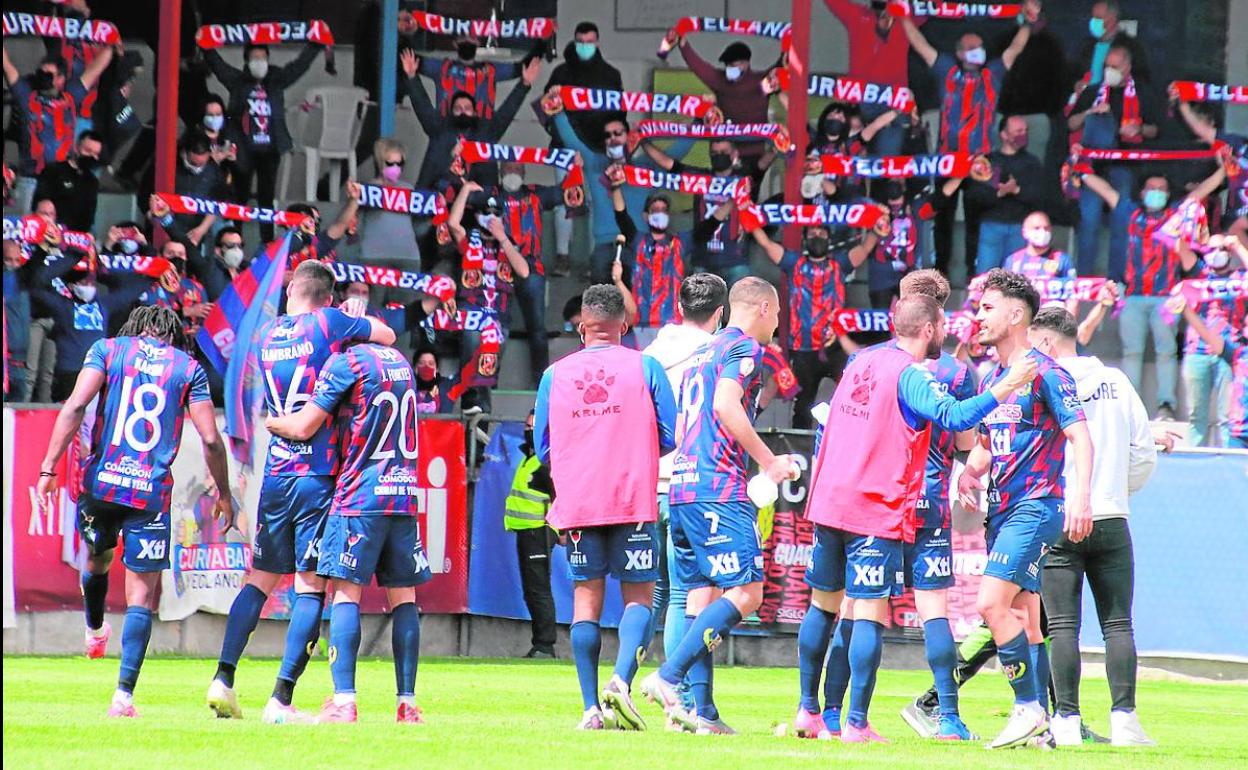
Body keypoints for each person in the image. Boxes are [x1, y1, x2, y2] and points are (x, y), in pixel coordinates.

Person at [799, 294, 1036, 743]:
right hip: (886, 500)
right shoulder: (922, 373)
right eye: (943, 324)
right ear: (930, 327)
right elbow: (957, 421)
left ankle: (813, 712)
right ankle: (873, 723)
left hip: (831, 498)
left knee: (827, 606)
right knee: (899, 612)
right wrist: (1005, 387)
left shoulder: (860, 362)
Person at [206, 261, 395, 723]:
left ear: (291, 291)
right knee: (312, 585)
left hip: (276, 472)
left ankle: (223, 678)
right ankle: (281, 700)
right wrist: (359, 313)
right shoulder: (328, 322)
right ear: (328, 298)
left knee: (261, 578)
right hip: (317, 471)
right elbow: (386, 338)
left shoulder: (268, 334)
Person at [36, 306, 234, 716]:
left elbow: (74, 407)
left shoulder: (108, 350)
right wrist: (225, 495)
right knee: (142, 595)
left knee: (97, 557)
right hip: (149, 492)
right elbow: (212, 439)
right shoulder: (187, 367)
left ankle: (94, 628)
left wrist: (48, 467)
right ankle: (123, 697)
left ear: (136, 329)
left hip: (103, 483)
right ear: (172, 335)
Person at [640, 278, 800, 734]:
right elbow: (727, 405)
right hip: (717, 485)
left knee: (699, 597)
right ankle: (668, 678)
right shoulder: (744, 350)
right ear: (765, 308)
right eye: (778, 313)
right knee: (748, 593)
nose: (778, 323)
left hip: (682, 485)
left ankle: (700, 713)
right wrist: (768, 462)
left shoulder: (703, 352)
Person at [957, 269, 1093, 749]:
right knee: (1028, 621)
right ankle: (1048, 730)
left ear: (1016, 315)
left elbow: (1079, 435)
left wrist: (1079, 497)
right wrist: (971, 470)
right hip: (1003, 507)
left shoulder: (1047, 371)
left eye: (987, 308)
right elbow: (995, 441)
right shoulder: (996, 375)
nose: (979, 316)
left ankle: (1027, 709)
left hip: (1036, 506)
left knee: (989, 604)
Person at [533, 284, 677, 730]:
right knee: (639, 597)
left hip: (579, 501)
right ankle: (621, 681)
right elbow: (670, 434)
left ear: (581, 328)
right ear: (625, 326)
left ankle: (589, 708)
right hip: (632, 497)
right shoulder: (646, 366)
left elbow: (542, 446)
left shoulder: (554, 375)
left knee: (585, 600)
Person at [265, 340, 432, 724]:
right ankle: (407, 703)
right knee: (404, 597)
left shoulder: (349, 361)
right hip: (403, 491)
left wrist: (272, 421)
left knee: (344, 594)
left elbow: (303, 426)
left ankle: (344, 701)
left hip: (360, 495)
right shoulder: (401, 361)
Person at [1027, 307, 1159, 747]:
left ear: (1045, 343)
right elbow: (1143, 451)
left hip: (1060, 517)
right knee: (1118, 625)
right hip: (1110, 515)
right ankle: (1125, 719)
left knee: (1062, 626)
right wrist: (1115, 491)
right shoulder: (1116, 381)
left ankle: (1066, 719)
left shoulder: (1041, 381)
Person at [640, 273, 729, 724]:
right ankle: (687, 706)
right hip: (691, 485)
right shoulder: (717, 353)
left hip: (647, 483)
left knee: (651, 597)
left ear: (678, 307)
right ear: (719, 313)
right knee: (690, 596)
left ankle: (622, 689)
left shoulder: (651, 354)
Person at [1078, 164, 1226, 418]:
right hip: (1132, 296)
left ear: (1169, 194)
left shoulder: (1176, 213)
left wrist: (1224, 170)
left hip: (1166, 298)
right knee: (1132, 353)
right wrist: (1081, 170)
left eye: (1161, 189)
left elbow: (1202, 191)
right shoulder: (1129, 212)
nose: (1156, 192)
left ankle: (1165, 405)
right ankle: (1128, 407)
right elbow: (1106, 190)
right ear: (1143, 191)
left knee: (1166, 352)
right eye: (1152, 188)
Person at [900, 2, 1037, 276]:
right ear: (960, 53)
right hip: (947, 159)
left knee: (976, 218)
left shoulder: (993, 72)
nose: (979, 51)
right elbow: (919, 44)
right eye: (972, 47)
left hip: (980, 160)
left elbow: (1015, 49)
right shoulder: (946, 70)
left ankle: (975, 274)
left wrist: (1027, 22)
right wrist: (901, 14)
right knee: (943, 219)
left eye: (980, 46)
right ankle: (941, 273)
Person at [749, 221, 882, 429]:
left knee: (850, 398)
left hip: (835, 345)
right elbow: (766, 243)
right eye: (812, 233)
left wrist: (876, 229)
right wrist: (748, 215)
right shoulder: (794, 262)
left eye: (821, 233)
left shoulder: (840, 263)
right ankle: (801, 453)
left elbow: (865, 248)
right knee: (802, 406)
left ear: (829, 239)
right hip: (803, 350)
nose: (817, 236)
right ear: (805, 238)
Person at [548, 102, 694, 284]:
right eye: (608, 136)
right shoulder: (595, 164)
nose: (613, 139)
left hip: (637, 245)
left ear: (629, 137)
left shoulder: (646, 167)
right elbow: (571, 139)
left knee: (638, 302)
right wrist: (557, 110)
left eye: (618, 133)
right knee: (601, 304)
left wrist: (701, 123)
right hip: (603, 246)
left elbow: (679, 151)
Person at [204, 40, 326, 242]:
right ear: (246, 61)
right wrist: (205, 44)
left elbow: (298, 66)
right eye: (254, 58)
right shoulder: (237, 80)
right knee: (239, 198)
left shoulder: (277, 78)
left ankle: (267, 244)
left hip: (270, 150)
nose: (259, 62)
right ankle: (235, 241)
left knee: (266, 199)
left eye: (263, 58)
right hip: (243, 149)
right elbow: (218, 66)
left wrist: (315, 45)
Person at [1067, 44, 1162, 276]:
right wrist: (1090, 112)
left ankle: (1117, 279)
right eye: (1107, 66)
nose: (1110, 70)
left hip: (1124, 168)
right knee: (1088, 222)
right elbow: (1070, 124)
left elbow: (1156, 129)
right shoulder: (1093, 91)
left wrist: (1138, 127)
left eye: (1115, 66)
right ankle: (1084, 278)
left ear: (1127, 67)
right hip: (1092, 170)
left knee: (1122, 222)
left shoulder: (1142, 92)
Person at [542, 22, 624, 276]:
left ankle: (593, 260)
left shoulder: (611, 75)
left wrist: (612, 150)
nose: (585, 46)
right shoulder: (560, 74)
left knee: (597, 203)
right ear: (574, 41)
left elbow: (619, 114)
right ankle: (562, 257)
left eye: (589, 41)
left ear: (597, 42)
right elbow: (547, 111)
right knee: (563, 202)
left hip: (599, 152)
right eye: (580, 41)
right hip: (565, 150)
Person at [473, 161, 565, 385]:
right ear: (500, 172)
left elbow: (566, 192)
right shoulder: (490, 195)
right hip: (496, 268)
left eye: (516, 169)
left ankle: (540, 384)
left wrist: (574, 166)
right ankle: (487, 382)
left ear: (524, 173)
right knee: (493, 327)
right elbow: (459, 197)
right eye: (507, 169)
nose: (512, 173)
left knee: (537, 328)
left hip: (531, 267)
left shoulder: (536, 194)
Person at [401, 49, 542, 190]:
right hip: (438, 196)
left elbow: (507, 110)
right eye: (458, 108)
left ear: (475, 112)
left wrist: (524, 84)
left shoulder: (488, 131)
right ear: (451, 112)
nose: (463, 111)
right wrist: (412, 77)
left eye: (467, 108)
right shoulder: (438, 127)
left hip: (478, 200)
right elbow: (422, 105)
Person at [447, 183, 530, 414]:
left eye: (496, 214)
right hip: (472, 316)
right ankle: (472, 401)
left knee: (488, 368)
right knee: (474, 342)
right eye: (486, 213)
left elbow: (523, 271)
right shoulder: (470, 239)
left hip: (498, 320)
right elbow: (453, 224)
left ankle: (479, 422)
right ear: (477, 215)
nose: (491, 218)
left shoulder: (507, 243)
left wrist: (503, 238)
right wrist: (464, 191)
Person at [2, 43, 114, 214]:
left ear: (61, 79)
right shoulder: (26, 96)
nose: (42, 77)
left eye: (48, 74)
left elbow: (95, 70)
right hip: (31, 179)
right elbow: (7, 65)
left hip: (61, 181)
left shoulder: (71, 97)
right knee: (24, 231)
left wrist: (111, 44)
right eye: (41, 73)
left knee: (59, 233)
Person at [666, 38, 773, 190]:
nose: (729, 68)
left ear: (745, 64)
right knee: (717, 194)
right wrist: (683, 44)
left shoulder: (761, 83)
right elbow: (699, 67)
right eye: (727, 65)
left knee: (747, 198)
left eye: (733, 65)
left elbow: (782, 68)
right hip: (723, 153)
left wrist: (790, 47)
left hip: (753, 155)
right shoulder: (721, 81)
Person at [821, 0, 919, 155]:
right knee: (847, 136)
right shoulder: (859, 16)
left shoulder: (907, 19)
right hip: (862, 103)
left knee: (889, 159)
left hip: (895, 101)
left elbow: (933, 7)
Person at [504, 410, 557, 659]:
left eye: (533, 427)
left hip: (539, 532)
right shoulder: (530, 459)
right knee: (531, 590)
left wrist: (557, 531)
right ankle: (540, 644)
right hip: (527, 532)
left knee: (539, 589)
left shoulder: (546, 462)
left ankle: (545, 645)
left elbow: (561, 499)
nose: (528, 431)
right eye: (527, 425)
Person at [966, 117, 1047, 274]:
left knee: (1017, 283)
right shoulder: (988, 161)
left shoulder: (1032, 163)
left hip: (1020, 228)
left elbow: (1040, 197)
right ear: (1004, 135)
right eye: (1018, 131)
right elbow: (975, 196)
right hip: (991, 226)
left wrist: (1016, 191)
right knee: (985, 279)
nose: (1023, 135)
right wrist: (999, 193)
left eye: (1025, 131)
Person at [612, 187, 691, 347]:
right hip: (641, 322)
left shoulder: (681, 242)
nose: (660, 214)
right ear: (646, 216)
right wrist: (615, 187)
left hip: (672, 324)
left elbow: (710, 225)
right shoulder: (637, 240)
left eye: (664, 210)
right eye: (655, 210)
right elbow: (622, 216)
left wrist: (734, 197)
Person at [1172, 295, 1248, 449]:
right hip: (1239, 434)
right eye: (1245, 324)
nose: (1246, 326)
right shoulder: (1238, 354)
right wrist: (1186, 310)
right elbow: (1208, 336)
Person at [416, 31, 533, 120]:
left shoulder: (491, 69)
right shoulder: (443, 67)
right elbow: (408, 59)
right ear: (455, 43)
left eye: (472, 38)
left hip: (482, 132)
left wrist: (544, 40)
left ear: (478, 42)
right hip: (446, 128)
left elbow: (525, 66)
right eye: (463, 38)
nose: (467, 41)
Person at [1002, 211, 1080, 314]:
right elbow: (1004, 295)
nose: (1042, 232)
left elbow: (1073, 296)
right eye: (1037, 228)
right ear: (1024, 232)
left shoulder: (1062, 259)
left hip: (1050, 318)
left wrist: (1069, 325)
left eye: (1046, 228)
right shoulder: (1012, 260)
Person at [33, 130, 104, 232]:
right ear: (76, 148)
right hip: (50, 231)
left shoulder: (92, 181)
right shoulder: (53, 170)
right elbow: (41, 206)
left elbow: (89, 218)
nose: (91, 157)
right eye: (88, 151)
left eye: (96, 154)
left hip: (78, 237)